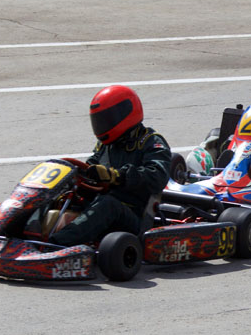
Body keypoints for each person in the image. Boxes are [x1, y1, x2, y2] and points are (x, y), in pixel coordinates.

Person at [48, 85, 171, 247]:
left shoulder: (150, 141)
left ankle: (55, 245)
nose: (101, 125)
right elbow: (90, 167)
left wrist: (117, 176)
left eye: (105, 120)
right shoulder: (107, 145)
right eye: (99, 120)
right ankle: (20, 233)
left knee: (108, 204)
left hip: (135, 216)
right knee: (57, 195)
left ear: (124, 114)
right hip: (101, 206)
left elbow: (157, 176)